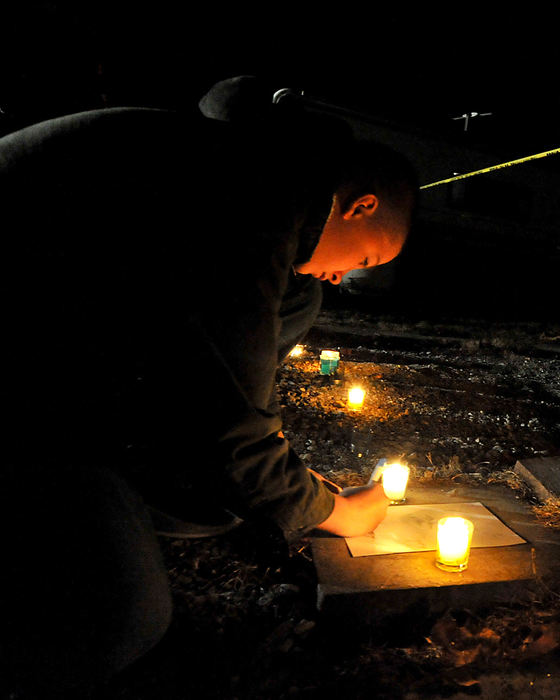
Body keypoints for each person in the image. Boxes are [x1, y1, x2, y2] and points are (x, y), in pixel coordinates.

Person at [0, 76, 417, 692]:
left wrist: (272, 479)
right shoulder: (252, 199)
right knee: (122, 618)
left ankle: (133, 481)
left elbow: (224, 391)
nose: (344, 276)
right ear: (361, 206)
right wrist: (330, 511)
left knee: (297, 304)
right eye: (365, 260)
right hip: (29, 377)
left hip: (60, 345)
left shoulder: (255, 168)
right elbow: (232, 427)